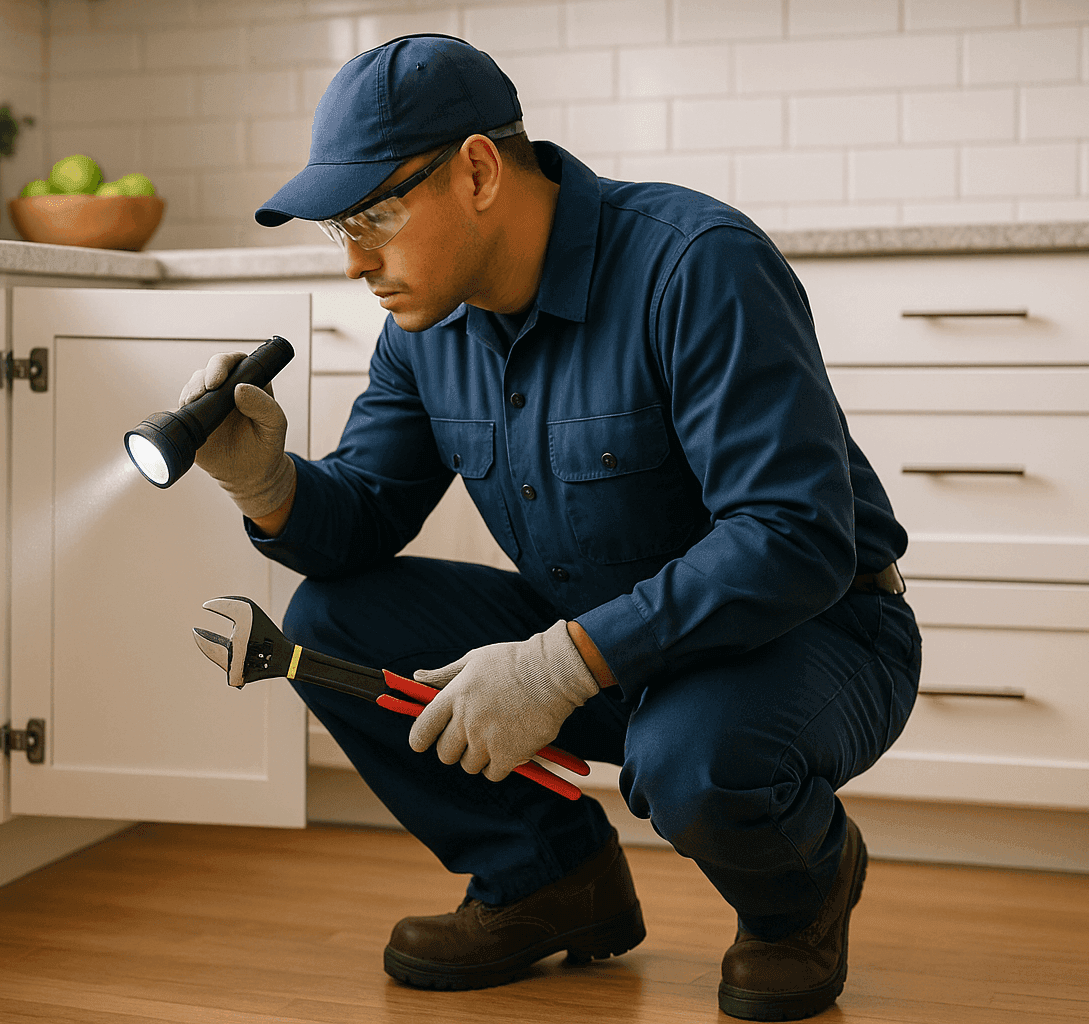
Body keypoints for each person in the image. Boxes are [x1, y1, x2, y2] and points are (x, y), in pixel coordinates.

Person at [178, 33, 921, 1023]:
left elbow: (794, 535)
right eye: (337, 230)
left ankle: (800, 893)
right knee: (328, 620)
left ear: (478, 170)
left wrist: (559, 666)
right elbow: (359, 522)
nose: (356, 262)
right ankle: (546, 878)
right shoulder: (424, 331)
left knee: (688, 752)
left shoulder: (695, 264)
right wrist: (263, 481)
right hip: (600, 640)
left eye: (374, 217)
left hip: (818, 634)